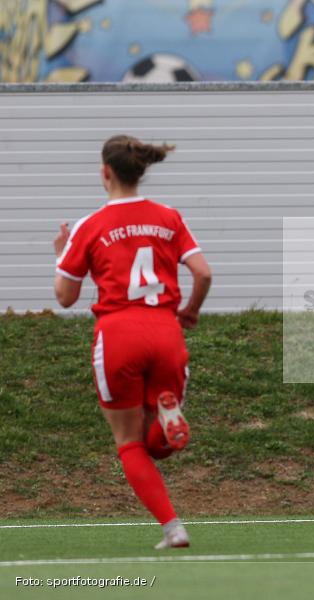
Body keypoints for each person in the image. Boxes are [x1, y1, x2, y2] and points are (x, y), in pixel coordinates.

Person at [52, 135, 212, 549]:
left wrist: (60, 254)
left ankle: (173, 528)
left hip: (119, 332)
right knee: (156, 443)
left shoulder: (90, 226)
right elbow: (204, 273)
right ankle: (168, 416)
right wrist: (191, 310)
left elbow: (65, 297)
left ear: (105, 172)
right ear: (140, 170)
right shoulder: (169, 217)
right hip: (165, 330)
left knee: (129, 443)